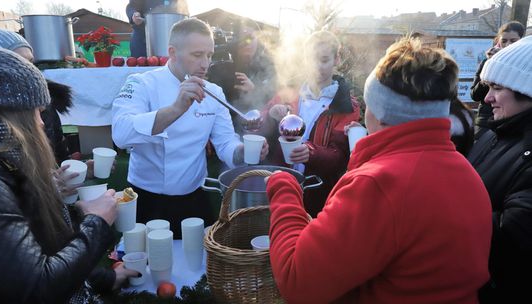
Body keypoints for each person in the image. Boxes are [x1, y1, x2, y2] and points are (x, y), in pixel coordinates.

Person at [264, 37, 492, 304]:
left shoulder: (378, 184)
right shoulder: (467, 173)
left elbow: (297, 280)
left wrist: (284, 186)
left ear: (379, 112)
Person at [0, 48, 138, 303]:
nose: (41, 122)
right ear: (11, 116)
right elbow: (37, 287)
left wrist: (77, 213)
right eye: (36, 112)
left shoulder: (8, 168)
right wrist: (96, 223)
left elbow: (38, 243)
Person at [112, 18, 268, 237]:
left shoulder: (214, 92)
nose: (205, 64)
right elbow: (121, 134)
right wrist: (176, 108)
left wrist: (244, 151)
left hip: (195, 197)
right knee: (148, 264)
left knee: (201, 266)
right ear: (173, 52)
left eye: (210, 55)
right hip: (147, 198)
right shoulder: (140, 83)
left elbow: (225, 142)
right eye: (197, 55)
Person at [258, 31, 360, 218]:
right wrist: (270, 115)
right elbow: (257, 127)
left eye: (323, 60)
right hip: (281, 184)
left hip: (317, 191)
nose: (316, 67)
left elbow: (339, 157)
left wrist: (311, 152)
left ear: (336, 59)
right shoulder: (288, 93)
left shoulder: (346, 105)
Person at [467, 35, 532, 304]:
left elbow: (515, 240)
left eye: (496, 88)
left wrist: (443, 213)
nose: (487, 98)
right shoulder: (498, 132)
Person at [0, 28, 73, 163]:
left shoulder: (45, 104)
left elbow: (59, 157)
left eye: (30, 62)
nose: (29, 71)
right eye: (17, 64)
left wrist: (73, 173)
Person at [207, 19, 277, 133]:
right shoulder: (219, 68)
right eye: (242, 38)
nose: (247, 42)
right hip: (228, 132)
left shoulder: (268, 67)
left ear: (258, 40)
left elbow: (275, 101)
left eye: (251, 37)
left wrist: (254, 91)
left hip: (263, 133)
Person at [470, 21, 525, 137]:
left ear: (521, 40)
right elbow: (475, 95)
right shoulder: (487, 62)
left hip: (515, 122)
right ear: (498, 42)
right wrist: (491, 69)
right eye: (504, 41)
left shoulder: (526, 66)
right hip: (485, 122)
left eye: (513, 41)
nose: (508, 45)